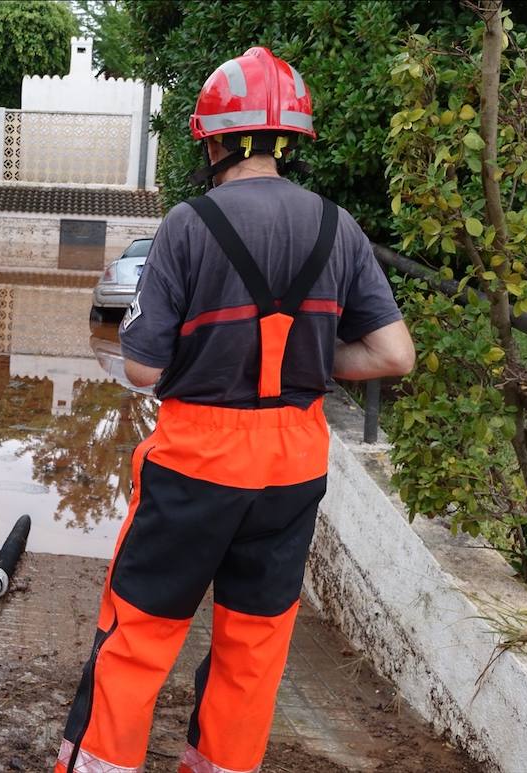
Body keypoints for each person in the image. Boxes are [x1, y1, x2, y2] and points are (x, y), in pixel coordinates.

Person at [56, 48, 415, 773]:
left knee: (142, 629)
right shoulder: (337, 227)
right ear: (283, 142)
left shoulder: (189, 225)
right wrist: (310, 363)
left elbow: (142, 365)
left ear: (217, 141)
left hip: (199, 456)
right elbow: (393, 354)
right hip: (294, 462)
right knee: (255, 637)